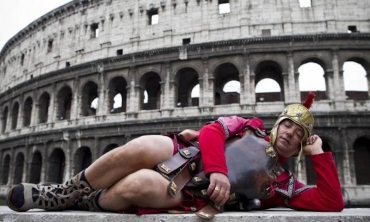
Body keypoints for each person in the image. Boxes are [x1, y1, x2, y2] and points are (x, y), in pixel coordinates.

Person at [6, 92, 344, 217]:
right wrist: (219, 171)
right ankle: (62, 194)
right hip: (188, 156)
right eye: (288, 126)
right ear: (277, 124)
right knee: (141, 146)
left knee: (137, 185)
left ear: (300, 146)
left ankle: (84, 202)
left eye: (299, 136)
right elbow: (213, 131)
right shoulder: (249, 126)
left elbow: (331, 202)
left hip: (189, 194)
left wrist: (319, 156)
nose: (290, 134)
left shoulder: (284, 185)